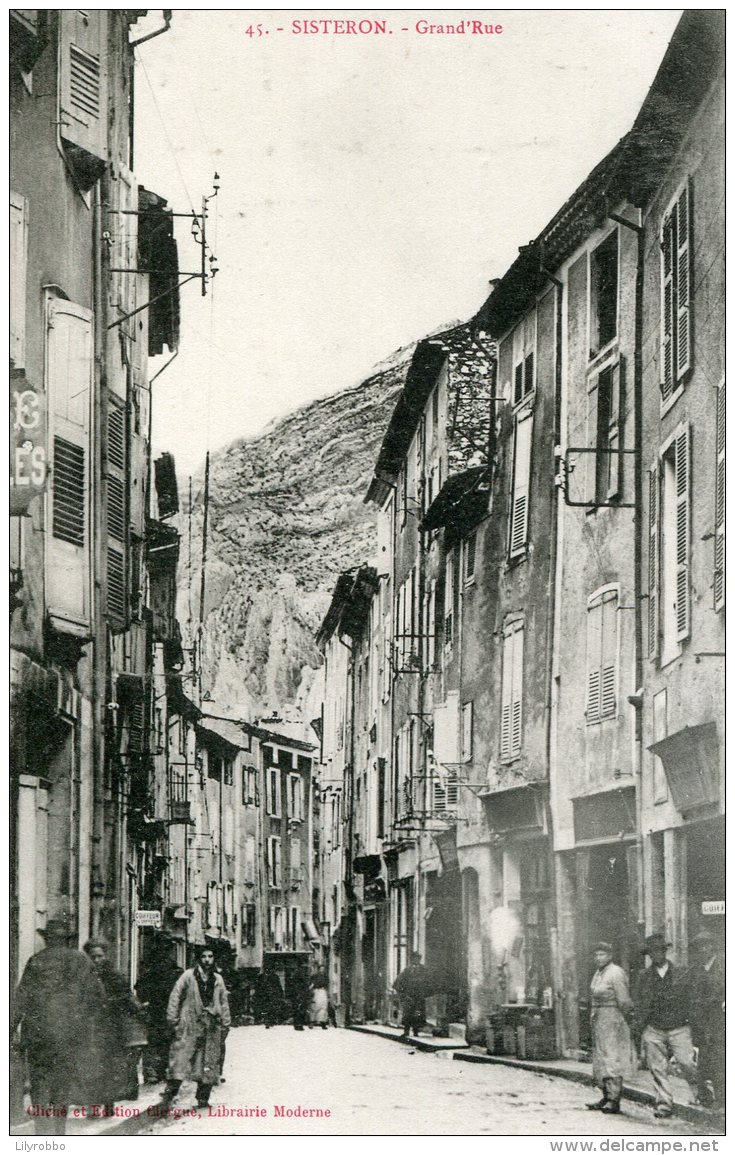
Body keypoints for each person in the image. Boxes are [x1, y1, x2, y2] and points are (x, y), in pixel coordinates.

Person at [11, 915, 107, 1135]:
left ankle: (42, 1133)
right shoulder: (81, 961)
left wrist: (9, 1029)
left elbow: (20, 998)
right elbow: (98, 998)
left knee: (40, 1084)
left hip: (37, 1035)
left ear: (47, 940)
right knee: (62, 1085)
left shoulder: (36, 961)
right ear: (67, 940)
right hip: (69, 1035)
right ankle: (59, 1132)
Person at [633, 932, 697, 1119]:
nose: (656, 955)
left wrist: (689, 1021)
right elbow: (640, 1002)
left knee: (687, 1063)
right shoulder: (644, 976)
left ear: (665, 952)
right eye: (652, 952)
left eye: (659, 951)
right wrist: (640, 1026)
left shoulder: (681, 972)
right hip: (654, 1028)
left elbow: (690, 998)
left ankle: (699, 1093)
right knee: (657, 1068)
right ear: (649, 955)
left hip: (679, 1027)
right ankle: (664, 1104)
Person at [160, 945, 231, 1108]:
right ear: (199, 958)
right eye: (204, 956)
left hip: (210, 1026)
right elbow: (175, 995)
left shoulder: (217, 979)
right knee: (180, 1060)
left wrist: (226, 1023)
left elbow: (223, 1002)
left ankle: (203, 1098)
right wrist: (172, 1018)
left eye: (210, 956)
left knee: (208, 1061)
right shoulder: (188, 976)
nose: (207, 960)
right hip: (189, 1024)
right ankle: (169, 1096)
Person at [84, 940, 144, 1111]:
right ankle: (93, 1106)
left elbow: (126, 998)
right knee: (91, 1067)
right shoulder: (83, 976)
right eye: (93, 956)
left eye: (99, 956)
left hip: (112, 1028)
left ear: (105, 956)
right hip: (91, 1027)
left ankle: (109, 1104)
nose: (96, 960)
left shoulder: (115, 976)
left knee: (109, 1067)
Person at [586, 941, 635, 1115]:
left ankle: (614, 1099)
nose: (599, 958)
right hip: (600, 1018)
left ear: (610, 956)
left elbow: (624, 1000)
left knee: (612, 1056)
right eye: (597, 955)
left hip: (613, 1018)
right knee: (601, 1057)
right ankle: (605, 1096)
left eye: (603, 955)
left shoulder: (615, 972)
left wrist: (627, 1019)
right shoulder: (599, 973)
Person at [135, 936, 182, 1082]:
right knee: (164, 1041)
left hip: (157, 1009)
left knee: (155, 1041)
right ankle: (161, 1070)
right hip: (163, 1009)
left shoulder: (150, 967)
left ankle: (153, 1072)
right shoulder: (172, 968)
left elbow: (140, 988)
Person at [687, 930, 725, 1109]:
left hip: (720, 1023)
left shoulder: (723, 965)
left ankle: (722, 1100)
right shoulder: (697, 969)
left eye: (706, 946)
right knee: (703, 1064)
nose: (702, 950)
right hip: (703, 1025)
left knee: (719, 1062)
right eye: (699, 947)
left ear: (712, 947)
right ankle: (706, 1098)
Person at [394, 952, 431, 1040]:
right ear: (411, 959)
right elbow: (400, 981)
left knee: (417, 1014)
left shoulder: (424, 970)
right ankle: (406, 1031)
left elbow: (428, 982)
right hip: (409, 996)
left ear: (420, 959)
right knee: (407, 1014)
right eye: (414, 958)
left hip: (419, 996)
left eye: (417, 958)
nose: (416, 960)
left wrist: (425, 993)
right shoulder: (407, 970)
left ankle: (416, 1031)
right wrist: (402, 993)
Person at [288, 965, 311, 1031]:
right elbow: (305, 987)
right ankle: (299, 1024)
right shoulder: (302, 980)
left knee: (297, 1010)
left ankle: (297, 1024)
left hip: (297, 996)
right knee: (300, 1010)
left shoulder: (294, 981)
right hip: (300, 996)